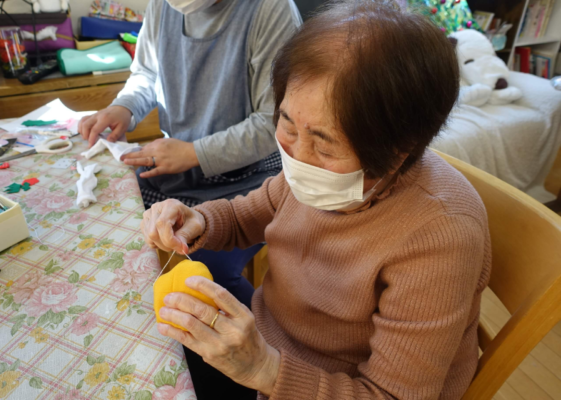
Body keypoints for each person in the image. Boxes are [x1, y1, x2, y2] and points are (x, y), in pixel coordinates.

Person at [141, 0, 493, 399]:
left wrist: (264, 369)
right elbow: (248, 214)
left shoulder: (440, 236)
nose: (295, 156)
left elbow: (392, 395)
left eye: (324, 147)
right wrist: (198, 220)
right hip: (269, 354)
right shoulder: (321, 175)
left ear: (398, 151)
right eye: (287, 125)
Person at [78, 0, 302, 310]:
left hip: (250, 177)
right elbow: (146, 73)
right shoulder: (163, 5)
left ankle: (265, 337)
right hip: (179, 167)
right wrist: (125, 106)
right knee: (116, 226)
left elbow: (273, 124)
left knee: (206, 275)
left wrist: (194, 153)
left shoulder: (269, 9)